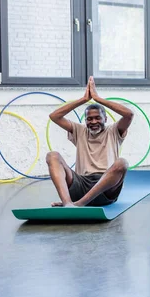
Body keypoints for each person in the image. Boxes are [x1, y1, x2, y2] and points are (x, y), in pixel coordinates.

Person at [47, 76, 134, 207]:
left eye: (98, 118)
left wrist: (98, 98)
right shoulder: (79, 130)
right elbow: (54, 116)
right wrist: (83, 99)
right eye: (89, 119)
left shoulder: (114, 131)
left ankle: (80, 204)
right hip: (80, 184)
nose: (93, 122)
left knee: (122, 163)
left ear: (105, 119)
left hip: (106, 189)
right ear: (85, 120)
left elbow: (129, 115)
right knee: (52, 156)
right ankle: (68, 203)